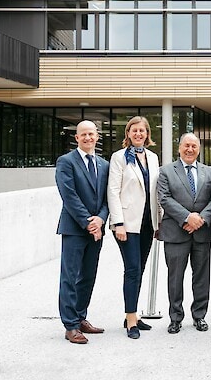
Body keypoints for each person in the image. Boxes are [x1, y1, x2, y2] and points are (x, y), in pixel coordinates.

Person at [157, 133, 211, 334]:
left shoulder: (209, 171)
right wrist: (187, 217)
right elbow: (164, 198)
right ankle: (175, 318)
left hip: (201, 232)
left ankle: (199, 316)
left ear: (199, 149)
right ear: (179, 148)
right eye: (186, 145)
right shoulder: (166, 171)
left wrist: (200, 219)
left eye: (194, 146)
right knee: (175, 278)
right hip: (176, 232)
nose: (190, 149)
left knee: (201, 276)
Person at [55, 120, 109, 344]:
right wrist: (89, 222)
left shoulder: (105, 165)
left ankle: (80, 317)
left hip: (96, 229)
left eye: (91, 134)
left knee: (88, 276)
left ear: (97, 137)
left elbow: (108, 197)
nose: (88, 138)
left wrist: (101, 219)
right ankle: (70, 326)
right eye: (83, 134)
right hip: (75, 228)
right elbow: (68, 195)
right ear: (76, 138)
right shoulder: (66, 162)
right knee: (70, 277)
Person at [107, 116, 161, 339]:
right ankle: (131, 319)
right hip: (127, 224)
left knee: (139, 269)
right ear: (128, 134)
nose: (138, 134)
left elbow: (156, 190)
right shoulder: (119, 157)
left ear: (148, 134)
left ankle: (134, 314)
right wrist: (118, 222)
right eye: (134, 130)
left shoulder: (153, 157)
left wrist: (159, 220)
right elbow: (113, 190)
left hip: (148, 222)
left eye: (142, 131)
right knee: (132, 270)